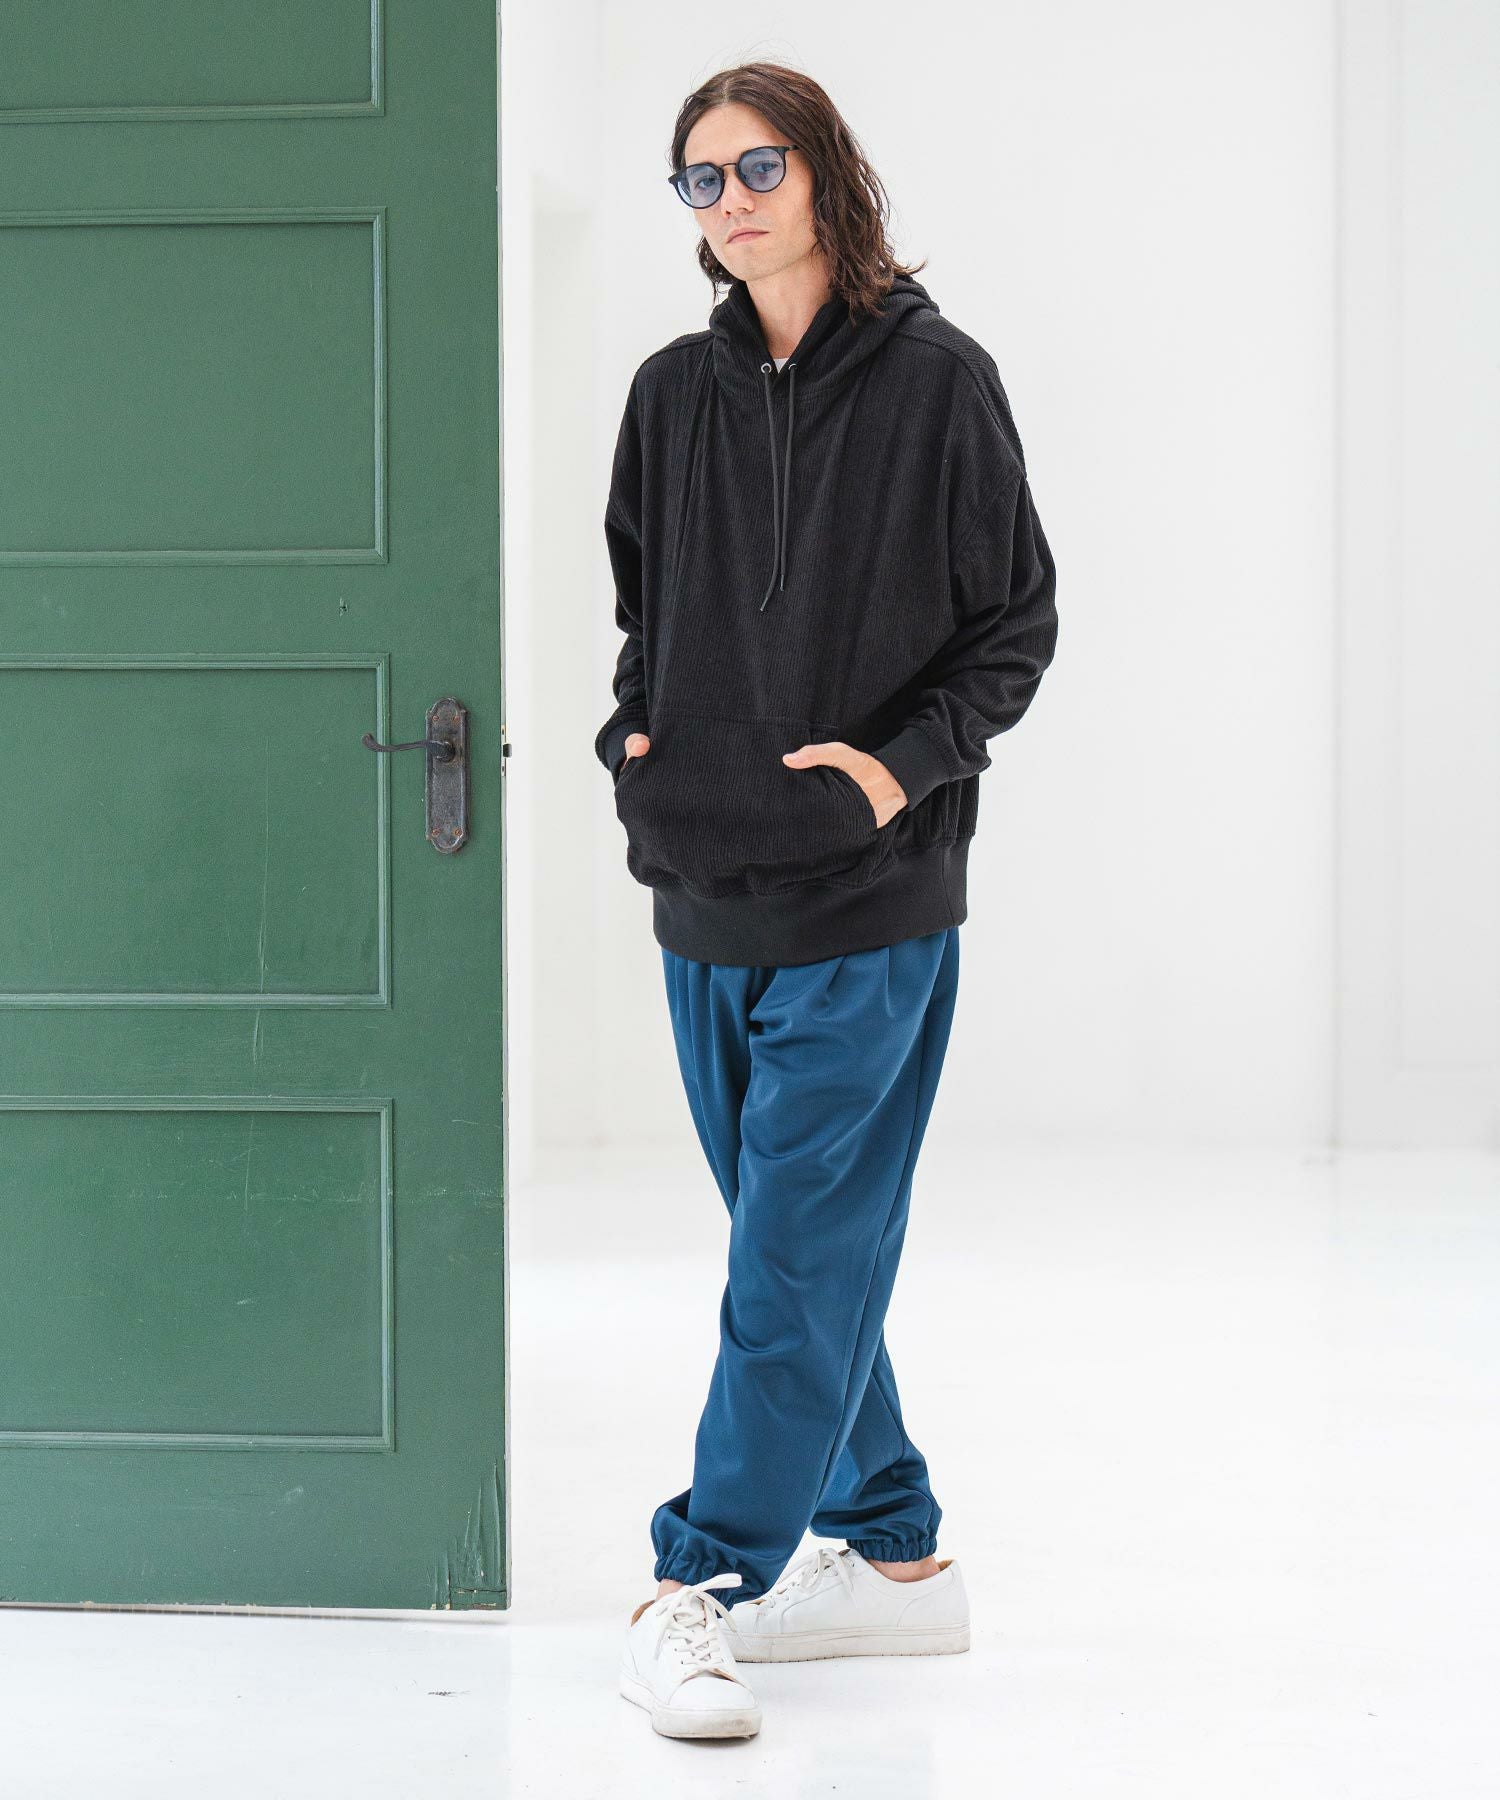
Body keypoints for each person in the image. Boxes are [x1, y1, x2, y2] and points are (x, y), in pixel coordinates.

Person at [598, 61, 1059, 1741]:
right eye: (699, 178)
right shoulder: (670, 394)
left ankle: (699, 1580)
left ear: (826, 175)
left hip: (872, 898)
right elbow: (644, 614)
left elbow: (1014, 625)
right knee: (800, 1250)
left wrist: (892, 771)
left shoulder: (939, 381)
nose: (729, 201)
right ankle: (897, 1556)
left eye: (758, 166)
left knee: (792, 1261)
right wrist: (636, 745)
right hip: (702, 890)